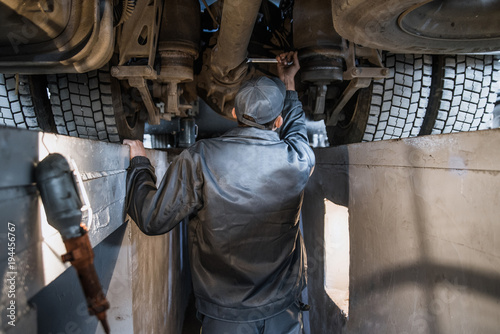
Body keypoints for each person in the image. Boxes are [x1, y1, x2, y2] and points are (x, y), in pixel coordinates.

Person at [124, 51, 315, 334]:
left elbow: (153, 218)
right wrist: (288, 82)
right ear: (278, 122)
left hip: (225, 317)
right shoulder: (299, 159)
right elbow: (297, 129)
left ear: (235, 114)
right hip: (283, 311)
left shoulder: (200, 158)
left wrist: (140, 164)